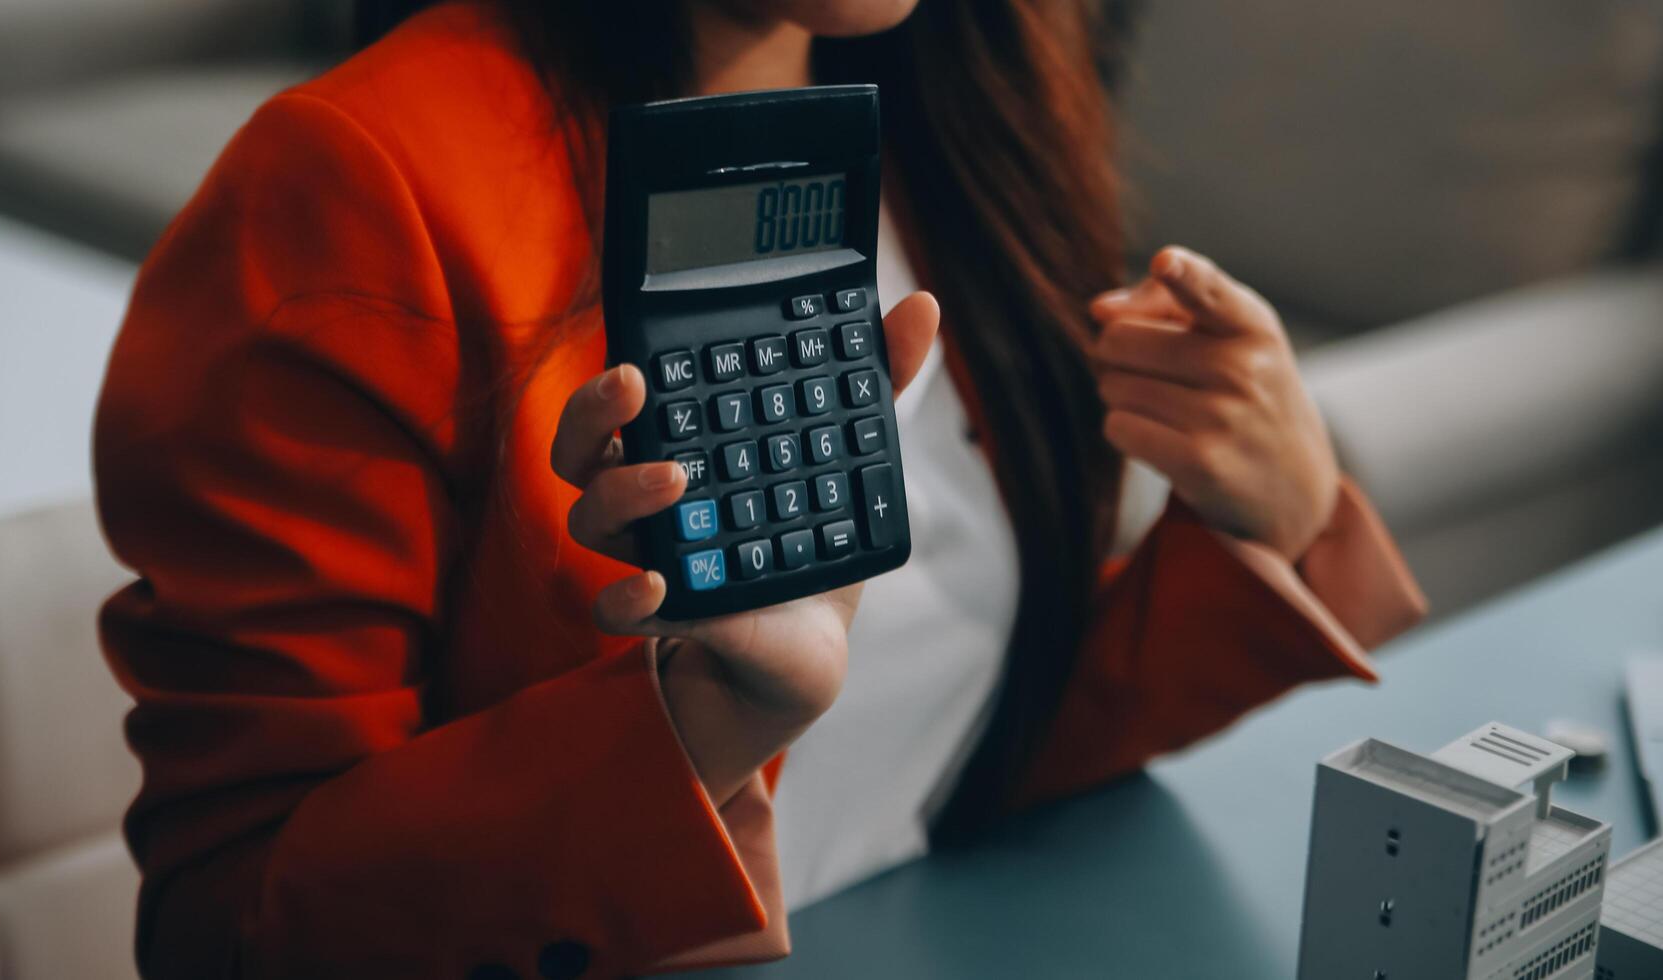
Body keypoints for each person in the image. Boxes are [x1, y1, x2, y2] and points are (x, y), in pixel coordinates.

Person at [93, 1, 1427, 977]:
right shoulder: (353, 183)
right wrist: (697, 727)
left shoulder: (969, 98)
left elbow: (966, 733)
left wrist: (1271, 525)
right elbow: (233, 929)